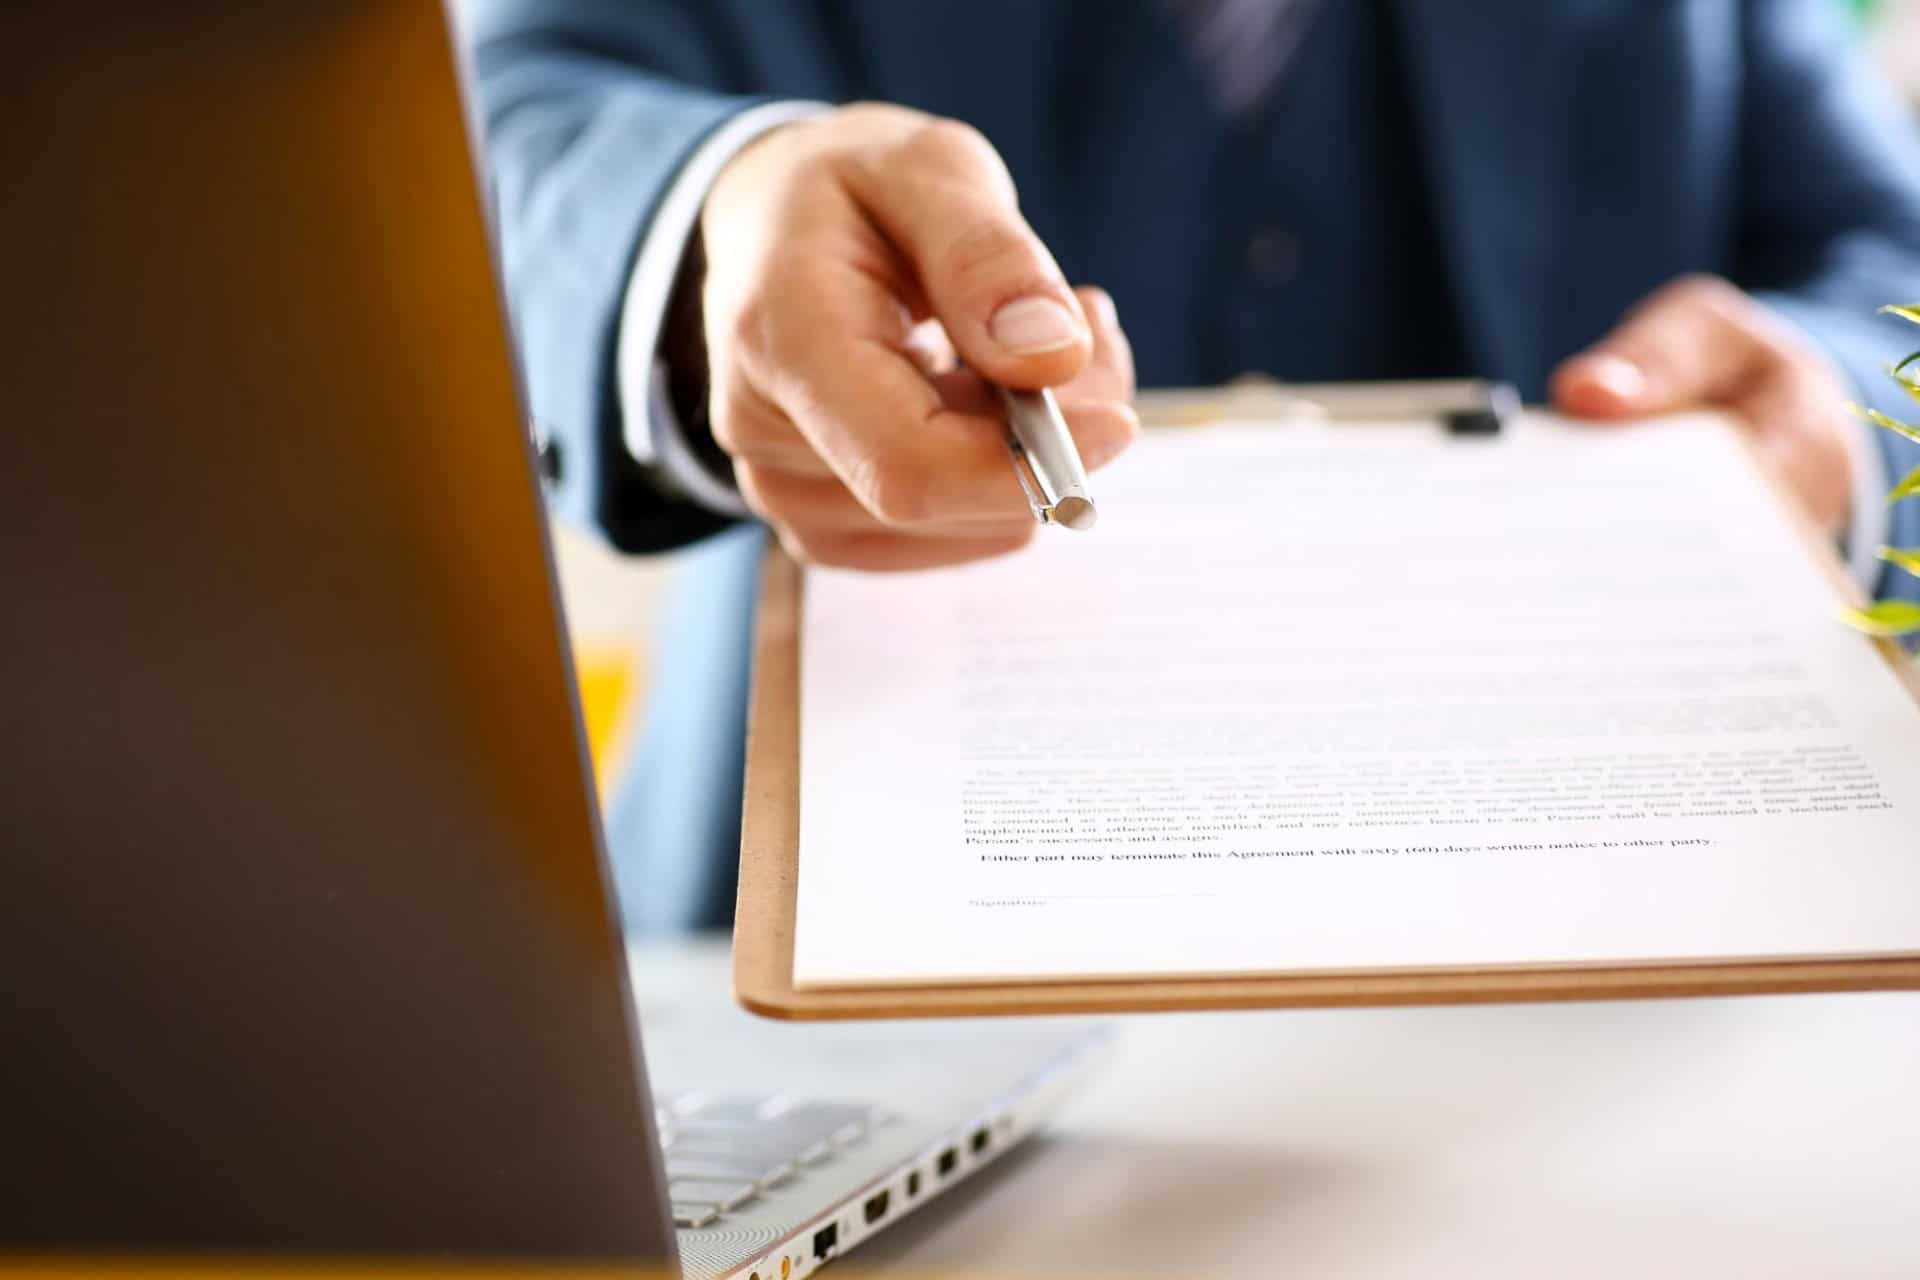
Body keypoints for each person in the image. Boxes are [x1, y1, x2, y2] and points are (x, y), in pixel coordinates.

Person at [462, 0, 1920, 932]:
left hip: (1613, 967)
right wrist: (712, 223)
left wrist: (1832, 417)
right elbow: (511, 127)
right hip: (828, 975)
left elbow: (1882, 268)